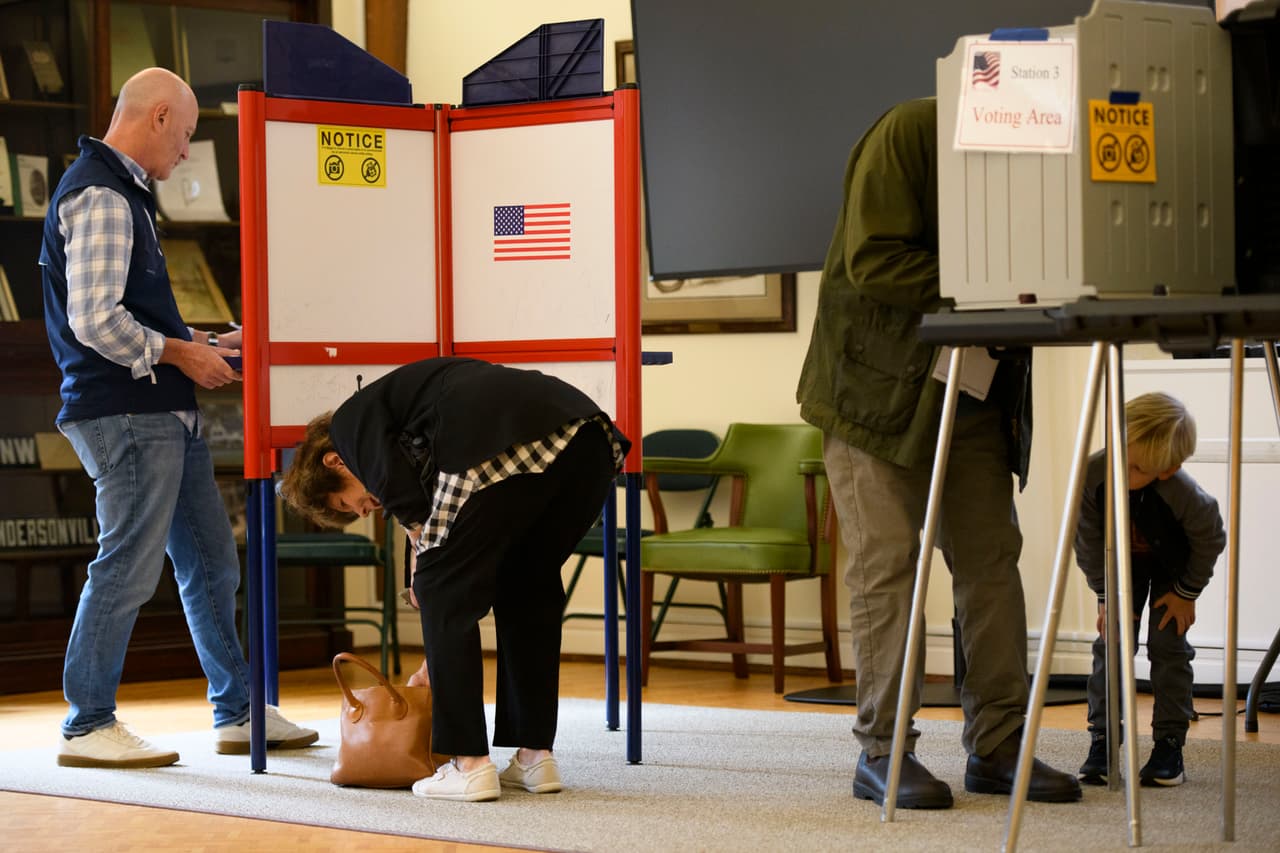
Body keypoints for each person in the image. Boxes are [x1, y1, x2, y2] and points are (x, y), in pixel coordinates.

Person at [796, 97, 1081, 808]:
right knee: (887, 567)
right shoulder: (908, 133)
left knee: (990, 561)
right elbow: (874, 259)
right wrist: (994, 289)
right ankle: (883, 751)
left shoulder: (1048, 160)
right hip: (871, 394)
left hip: (975, 393)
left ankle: (999, 745)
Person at [40, 67, 317, 768]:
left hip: (160, 410)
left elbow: (127, 313)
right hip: (127, 414)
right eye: (188, 134)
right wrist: (181, 355)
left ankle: (238, 710)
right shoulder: (101, 194)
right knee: (128, 566)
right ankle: (87, 723)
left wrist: (201, 344)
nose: (188, 153)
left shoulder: (122, 192)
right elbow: (94, 320)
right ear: (158, 116)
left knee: (211, 564)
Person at [278, 356, 629, 802]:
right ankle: (534, 758)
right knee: (527, 584)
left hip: (510, 441)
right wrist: (439, 646)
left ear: (334, 462)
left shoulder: (350, 424)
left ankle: (468, 763)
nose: (368, 510)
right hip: (588, 441)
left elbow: (414, 509)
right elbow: (468, 551)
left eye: (350, 505)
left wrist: (430, 593)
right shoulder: (410, 419)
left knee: (439, 588)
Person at [1075, 392, 1225, 787]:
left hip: (1172, 575)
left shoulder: (1184, 494)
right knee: (1111, 645)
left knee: (1168, 645)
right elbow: (1087, 540)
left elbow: (1211, 538)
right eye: (1119, 455)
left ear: (1167, 469)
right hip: (1121, 571)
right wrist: (1105, 595)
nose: (1121, 471)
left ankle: (1169, 744)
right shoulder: (1093, 474)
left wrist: (1186, 592)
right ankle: (1104, 739)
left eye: (1136, 467)